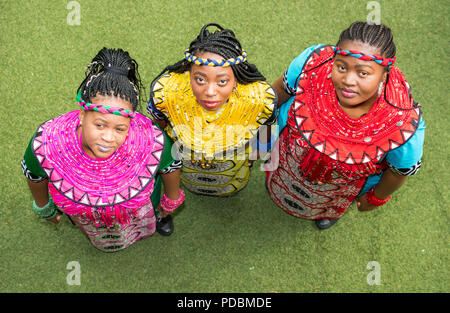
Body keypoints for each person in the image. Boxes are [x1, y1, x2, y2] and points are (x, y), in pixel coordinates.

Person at [265, 21, 425, 230]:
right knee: (277, 176)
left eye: (363, 73)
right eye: (341, 66)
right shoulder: (311, 65)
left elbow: (399, 171)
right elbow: (276, 94)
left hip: (340, 188)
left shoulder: (402, 123)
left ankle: (326, 213)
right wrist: (260, 140)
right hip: (287, 155)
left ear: (383, 76)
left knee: (327, 203)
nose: (348, 80)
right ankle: (275, 183)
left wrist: (376, 197)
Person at [21, 48, 184, 252]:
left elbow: (171, 166)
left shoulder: (152, 140)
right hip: (87, 218)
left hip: (138, 212)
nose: (108, 137)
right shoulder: (47, 143)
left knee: (141, 226)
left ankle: (154, 224)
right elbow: (34, 175)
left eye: (120, 128)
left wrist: (169, 202)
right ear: (82, 115)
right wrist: (44, 207)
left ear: (130, 124)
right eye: (99, 125)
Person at [147, 23, 277, 200]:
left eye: (222, 81)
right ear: (188, 73)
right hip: (187, 171)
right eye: (200, 79)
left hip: (233, 174)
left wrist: (256, 156)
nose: (209, 92)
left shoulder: (259, 100)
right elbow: (159, 128)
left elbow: (266, 133)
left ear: (236, 79)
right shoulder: (167, 94)